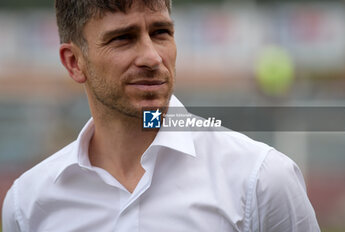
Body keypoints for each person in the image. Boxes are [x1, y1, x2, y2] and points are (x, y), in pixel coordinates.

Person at [2, 0, 320, 231]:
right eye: (123, 38)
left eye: (161, 32)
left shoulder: (262, 179)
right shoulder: (28, 204)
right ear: (74, 62)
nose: (153, 57)